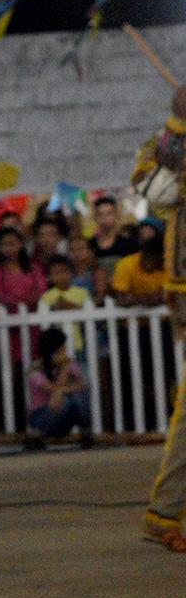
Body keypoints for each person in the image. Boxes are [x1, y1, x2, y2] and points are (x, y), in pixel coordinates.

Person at [131, 84, 186, 551]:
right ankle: (165, 511)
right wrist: (178, 127)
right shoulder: (166, 147)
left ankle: (165, 511)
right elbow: (156, 191)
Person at [26, 327, 93, 449]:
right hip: (44, 417)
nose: (65, 352)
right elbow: (53, 390)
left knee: (78, 397)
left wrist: (63, 390)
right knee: (65, 401)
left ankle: (86, 432)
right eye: (61, 350)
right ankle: (37, 435)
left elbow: (82, 385)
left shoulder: (68, 364)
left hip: (64, 417)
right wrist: (65, 370)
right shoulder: (35, 371)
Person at [41, 254, 90, 355]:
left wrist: (69, 305)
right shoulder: (46, 296)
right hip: (58, 347)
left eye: (64, 271)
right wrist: (55, 308)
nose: (61, 276)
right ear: (49, 277)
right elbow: (44, 320)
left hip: (80, 343)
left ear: (72, 273)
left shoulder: (82, 293)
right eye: (56, 273)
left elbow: (89, 314)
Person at [111, 233, 167, 307]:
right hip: (130, 317)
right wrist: (146, 298)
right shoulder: (126, 264)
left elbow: (171, 294)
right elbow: (121, 298)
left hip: (163, 317)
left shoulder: (166, 267)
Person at [89, 195, 136, 279]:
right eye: (100, 214)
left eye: (109, 213)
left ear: (116, 215)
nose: (105, 218)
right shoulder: (90, 245)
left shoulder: (129, 244)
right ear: (95, 217)